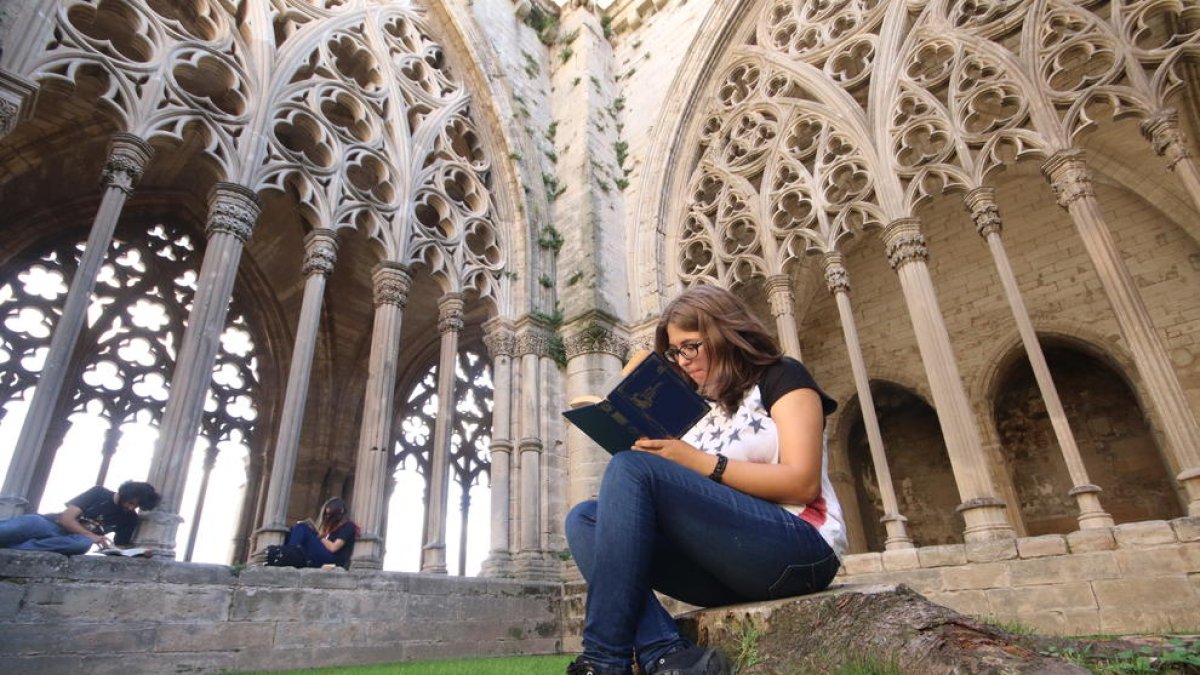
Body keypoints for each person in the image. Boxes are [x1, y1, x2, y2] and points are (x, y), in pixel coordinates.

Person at [565, 285, 847, 675]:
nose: (683, 361)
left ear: (723, 332)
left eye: (690, 346)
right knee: (584, 518)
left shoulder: (783, 376)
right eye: (675, 353)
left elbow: (802, 483)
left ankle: (603, 659)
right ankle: (667, 655)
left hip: (800, 549)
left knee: (632, 468)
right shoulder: (693, 407)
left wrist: (699, 462)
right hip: (723, 567)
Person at [0, 480, 161, 555]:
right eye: (131, 502)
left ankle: (14, 548)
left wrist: (140, 552)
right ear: (126, 493)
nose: (131, 508)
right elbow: (66, 519)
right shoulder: (99, 493)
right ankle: (14, 543)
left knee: (82, 545)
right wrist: (94, 536)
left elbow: (121, 547)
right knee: (14, 528)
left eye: (136, 506)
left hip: (71, 539)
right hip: (49, 524)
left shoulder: (130, 517)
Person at [283, 496, 357, 569]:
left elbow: (334, 548)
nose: (327, 517)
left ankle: (290, 554)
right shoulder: (330, 527)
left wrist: (319, 536)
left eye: (330, 515)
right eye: (326, 515)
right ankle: (289, 552)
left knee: (302, 528)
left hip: (333, 560)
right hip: (324, 554)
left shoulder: (348, 526)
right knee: (294, 529)